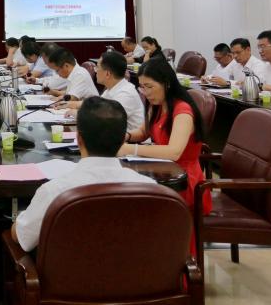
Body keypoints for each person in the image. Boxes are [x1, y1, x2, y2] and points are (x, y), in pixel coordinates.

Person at [11, 97, 155, 252]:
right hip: (131, 267)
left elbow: (21, 236)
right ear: (122, 141)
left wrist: (20, 218)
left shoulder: (55, 191)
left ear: (78, 139)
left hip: (68, 268)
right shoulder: (150, 189)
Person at [120, 58, 211, 215]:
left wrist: (130, 149)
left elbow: (173, 152)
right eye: (142, 87)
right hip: (162, 171)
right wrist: (126, 136)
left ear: (166, 83)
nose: (146, 92)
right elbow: (143, 132)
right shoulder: (157, 105)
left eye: (149, 86)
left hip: (182, 180)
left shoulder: (182, 111)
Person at [66, 52, 145, 131]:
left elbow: (104, 121)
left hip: (126, 138)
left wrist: (79, 114)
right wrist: (69, 104)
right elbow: (96, 106)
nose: (95, 71)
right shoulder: (112, 88)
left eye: (97, 67)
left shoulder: (125, 94)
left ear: (107, 74)